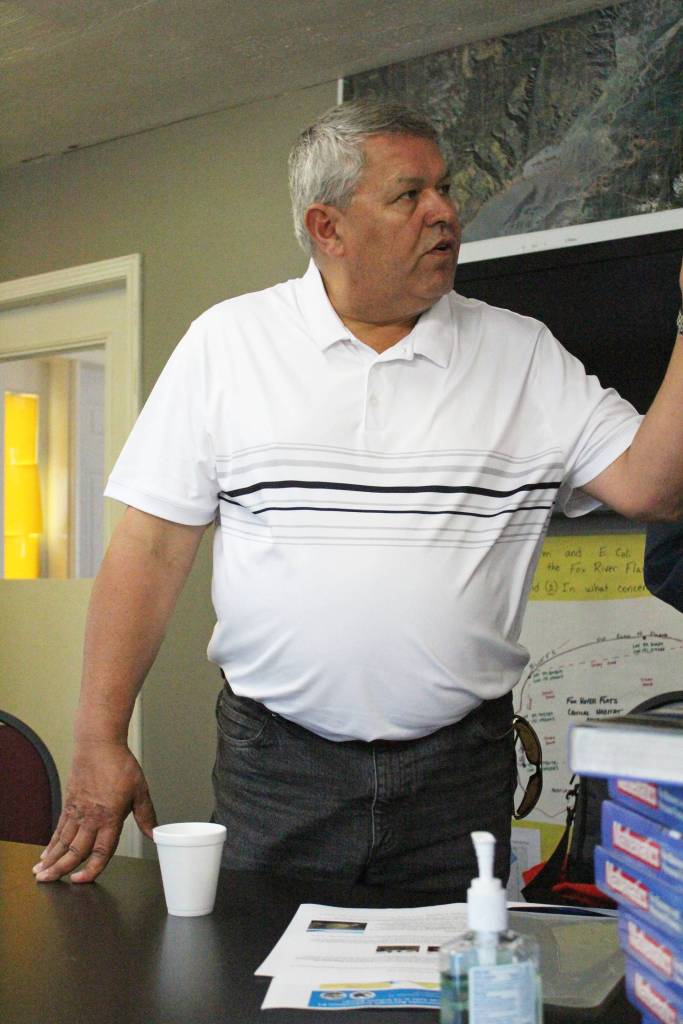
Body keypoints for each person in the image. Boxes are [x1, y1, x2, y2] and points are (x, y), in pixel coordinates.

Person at [33, 100, 683, 897]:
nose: (444, 212)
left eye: (443, 190)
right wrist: (99, 736)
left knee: (448, 988)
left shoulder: (522, 355)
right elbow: (150, 550)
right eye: (410, 196)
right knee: (255, 984)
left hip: (458, 771)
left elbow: (654, 489)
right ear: (327, 227)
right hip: (278, 766)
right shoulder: (227, 344)